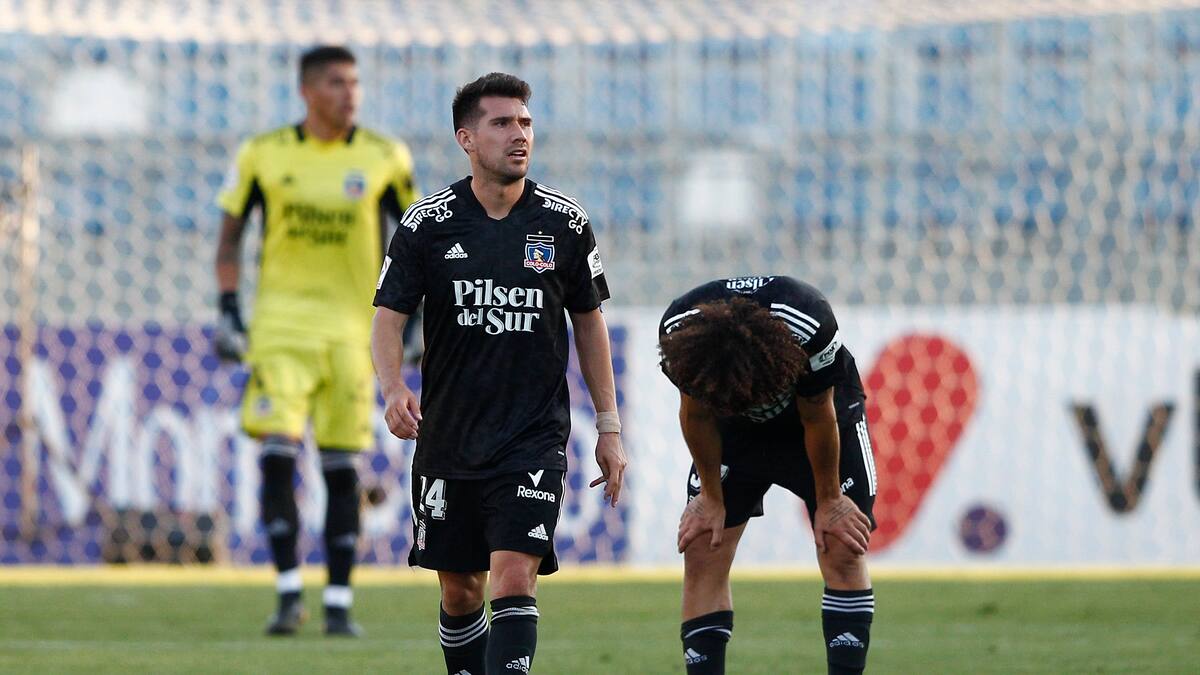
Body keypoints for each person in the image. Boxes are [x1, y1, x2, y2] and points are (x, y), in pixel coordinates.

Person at [371, 72, 627, 675]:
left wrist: (610, 426)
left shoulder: (565, 223)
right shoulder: (427, 225)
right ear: (466, 137)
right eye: (502, 123)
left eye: (526, 123)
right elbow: (388, 318)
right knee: (461, 591)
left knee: (514, 577)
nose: (520, 135)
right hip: (449, 438)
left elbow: (589, 324)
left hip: (531, 437)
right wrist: (391, 387)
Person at [213, 45, 419, 637]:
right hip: (280, 329)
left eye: (355, 82)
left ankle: (337, 603)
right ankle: (285, 595)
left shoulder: (384, 156)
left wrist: (417, 322)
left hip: (356, 333)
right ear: (306, 91)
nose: (349, 93)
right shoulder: (264, 154)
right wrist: (228, 309)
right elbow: (229, 241)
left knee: (340, 470)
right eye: (336, 83)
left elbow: (418, 242)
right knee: (277, 456)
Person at [658, 276, 877, 675]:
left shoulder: (808, 324)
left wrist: (829, 500)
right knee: (704, 547)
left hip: (817, 418)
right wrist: (709, 496)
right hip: (733, 434)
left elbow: (817, 414)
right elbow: (697, 414)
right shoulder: (681, 333)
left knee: (842, 544)